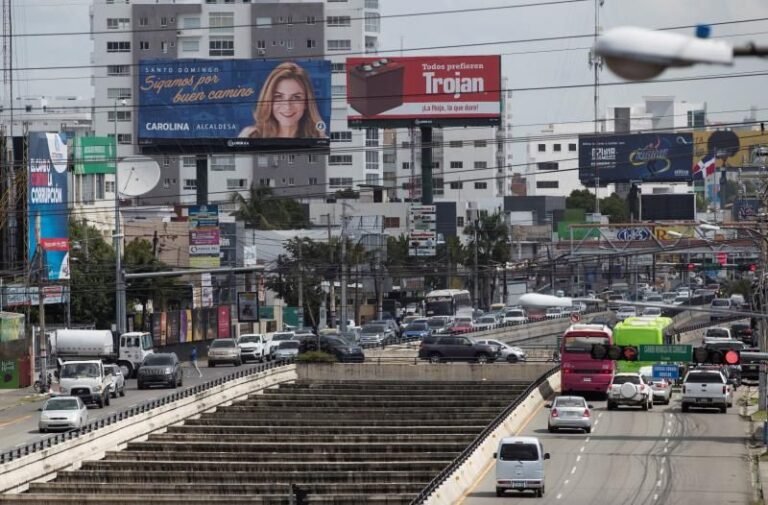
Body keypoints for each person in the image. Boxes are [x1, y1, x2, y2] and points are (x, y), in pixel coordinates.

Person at [239, 62, 327, 139]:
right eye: (279, 97)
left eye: (296, 97)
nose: (287, 106)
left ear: (306, 103)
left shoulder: (320, 139)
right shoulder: (248, 136)